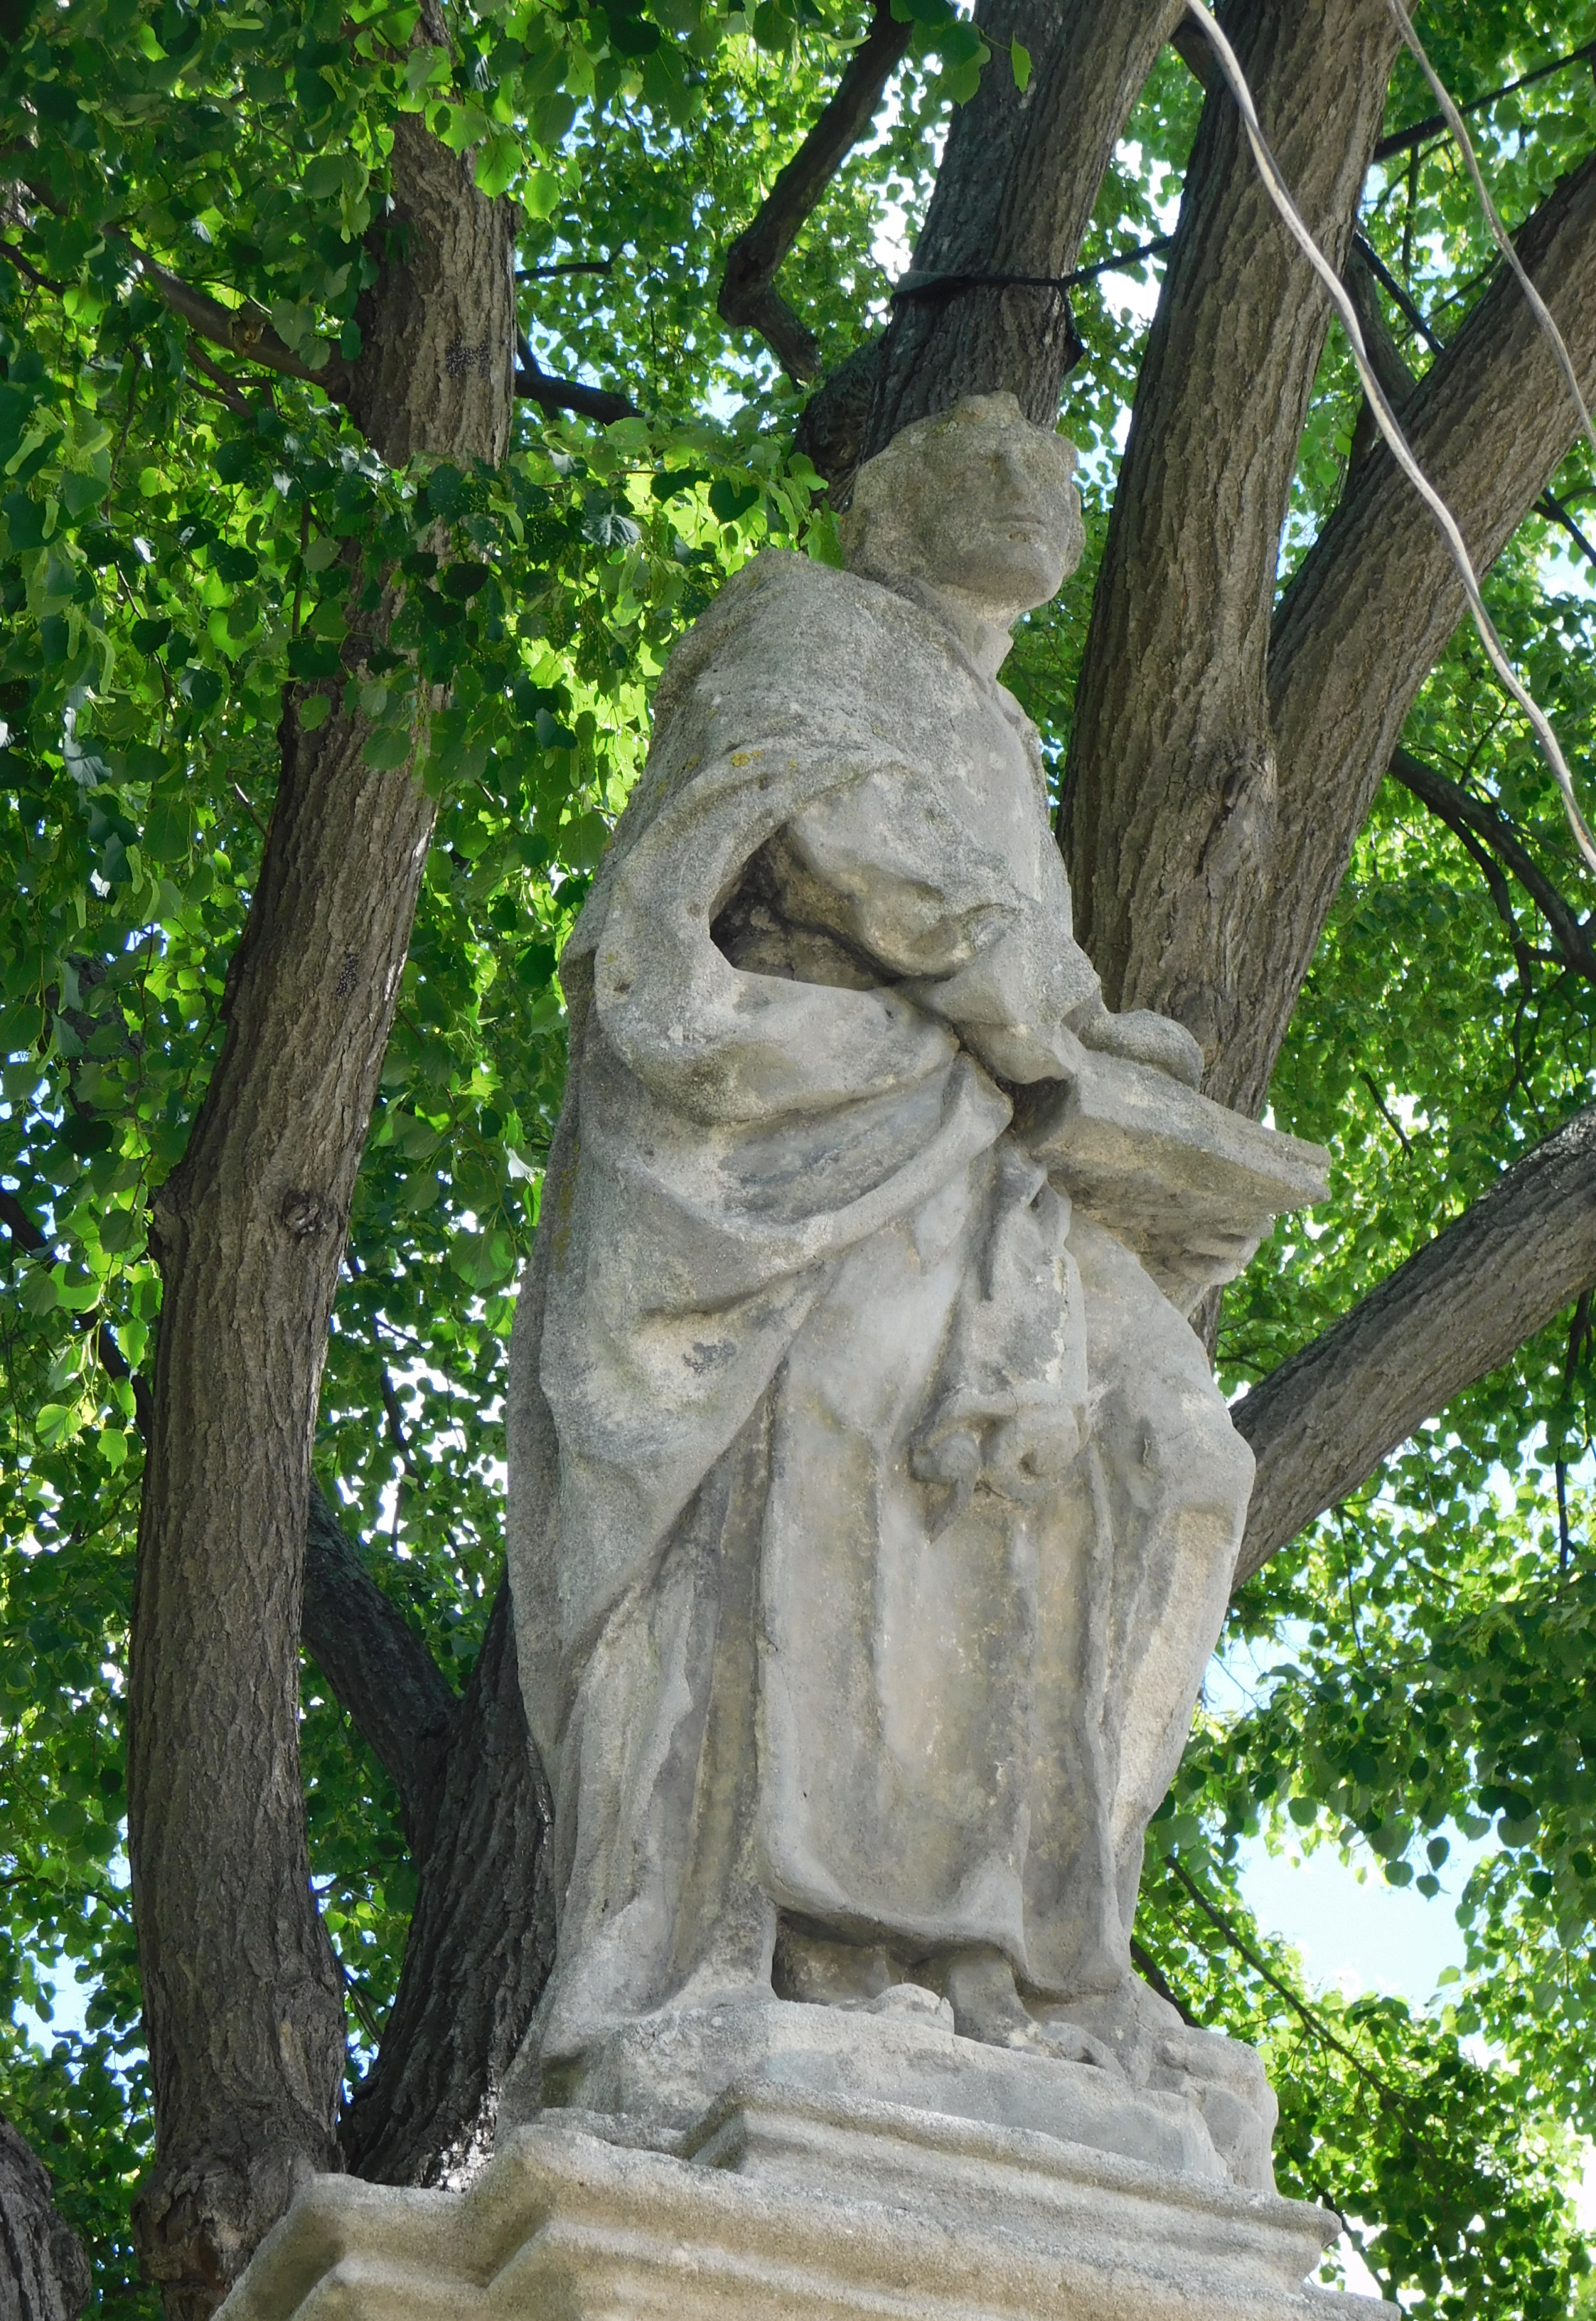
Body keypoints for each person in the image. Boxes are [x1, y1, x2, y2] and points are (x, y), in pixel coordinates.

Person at [507, 393, 1275, 2183]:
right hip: (813, 1130)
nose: (1034, 488)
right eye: (982, 463)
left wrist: (1117, 1072)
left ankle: (1043, 1961)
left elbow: (1019, 962)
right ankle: (835, 1953)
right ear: (882, 510)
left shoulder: (1001, 725)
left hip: (988, 1152)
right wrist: (1041, 1018)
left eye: (1058, 473)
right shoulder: (806, 620)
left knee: (1176, 1461)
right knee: (853, 1506)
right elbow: (816, 826)